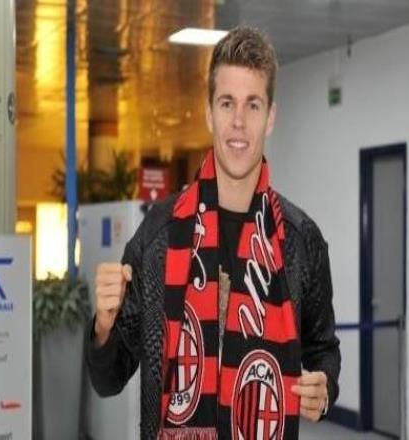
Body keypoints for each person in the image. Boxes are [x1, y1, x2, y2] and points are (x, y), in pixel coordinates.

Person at [85, 25, 341, 440]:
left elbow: (323, 348)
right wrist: (103, 325)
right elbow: (108, 379)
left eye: (252, 105)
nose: (238, 121)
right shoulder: (159, 235)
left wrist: (324, 387)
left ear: (270, 117)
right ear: (209, 113)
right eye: (227, 103)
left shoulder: (300, 240)